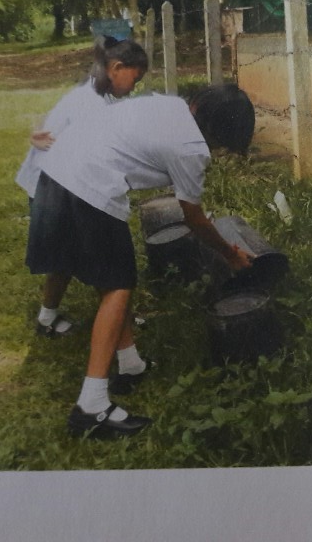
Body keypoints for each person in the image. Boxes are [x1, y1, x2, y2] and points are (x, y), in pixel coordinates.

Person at [26, 57, 255, 439]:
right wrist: (231, 255)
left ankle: (131, 364)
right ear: (222, 135)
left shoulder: (170, 105)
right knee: (118, 286)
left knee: (111, 276)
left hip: (57, 168)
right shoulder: (191, 149)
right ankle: (91, 406)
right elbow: (194, 219)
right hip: (88, 183)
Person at [16, 37, 143, 338]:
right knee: (98, 259)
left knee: (69, 256)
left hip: (61, 185)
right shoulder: (89, 103)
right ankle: (114, 316)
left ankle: (52, 316)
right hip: (52, 188)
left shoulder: (98, 95)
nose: (135, 87)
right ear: (116, 68)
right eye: (135, 79)